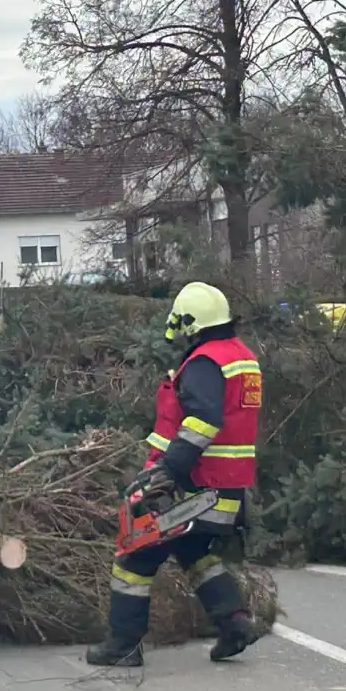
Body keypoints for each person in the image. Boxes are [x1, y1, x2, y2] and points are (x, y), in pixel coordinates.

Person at [85, 281, 263, 667]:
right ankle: (234, 623)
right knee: (193, 550)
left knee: (134, 558)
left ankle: (123, 646)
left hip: (196, 485)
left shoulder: (205, 362)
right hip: (227, 489)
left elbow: (202, 422)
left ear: (191, 322)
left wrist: (166, 471)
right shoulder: (242, 357)